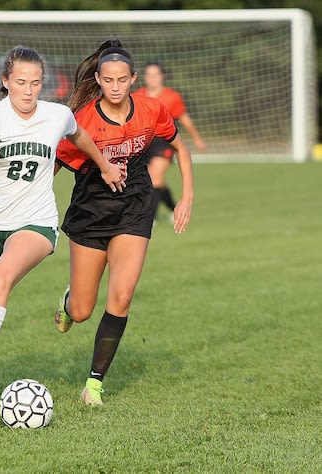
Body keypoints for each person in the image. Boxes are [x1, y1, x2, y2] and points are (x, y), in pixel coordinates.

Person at [0, 45, 124, 407]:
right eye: (21, 82)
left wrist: (104, 165)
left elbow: (79, 136)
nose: (28, 90)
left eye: (36, 83)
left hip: (35, 223)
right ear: (6, 81)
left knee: (0, 282)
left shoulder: (56, 115)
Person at [54, 40, 194, 406]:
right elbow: (55, 164)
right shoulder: (81, 121)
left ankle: (94, 385)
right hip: (91, 212)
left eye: (123, 80)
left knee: (122, 295)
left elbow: (180, 147)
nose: (116, 87)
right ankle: (69, 303)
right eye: (108, 80)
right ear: (98, 80)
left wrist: (187, 198)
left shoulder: (152, 110)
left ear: (133, 78)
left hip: (134, 208)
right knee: (83, 310)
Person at [133, 62, 204, 224]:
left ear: (162, 76)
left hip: (164, 142)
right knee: (156, 180)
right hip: (143, 143)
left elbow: (184, 119)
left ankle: (150, 217)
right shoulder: (137, 96)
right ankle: (174, 209)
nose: (152, 78)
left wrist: (197, 138)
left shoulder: (172, 97)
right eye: (149, 75)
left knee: (154, 177)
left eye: (155, 74)